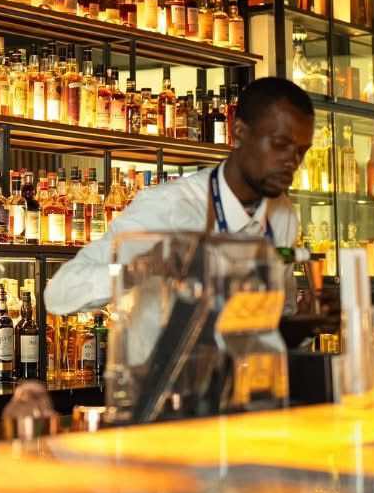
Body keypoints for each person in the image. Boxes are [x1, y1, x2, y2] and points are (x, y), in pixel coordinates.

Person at [44, 76, 315, 316]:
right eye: (280, 144)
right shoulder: (168, 205)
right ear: (239, 132)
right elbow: (59, 293)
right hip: (172, 372)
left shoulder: (282, 214)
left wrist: (302, 325)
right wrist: (138, 270)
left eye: (302, 150)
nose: (292, 161)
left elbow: (278, 314)